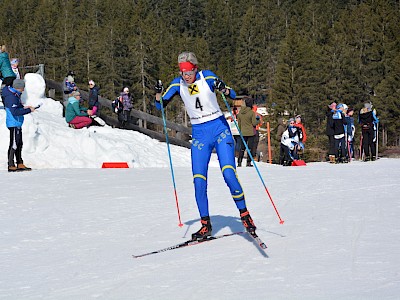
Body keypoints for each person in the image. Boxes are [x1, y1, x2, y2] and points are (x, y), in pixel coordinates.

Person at [154, 51, 258, 240]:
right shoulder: (177, 84)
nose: (186, 76)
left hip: (219, 129)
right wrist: (158, 92)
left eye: (189, 72)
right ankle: (205, 225)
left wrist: (223, 89)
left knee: (228, 172)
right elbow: (160, 106)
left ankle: (244, 214)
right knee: (199, 180)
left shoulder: (207, 76)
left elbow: (233, 94)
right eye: (183, 73)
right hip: (200, 134)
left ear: (195, 69)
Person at [2, 79, 36, 172]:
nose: (24, 90)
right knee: (14, 144)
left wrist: (24, 107)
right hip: (13, 123)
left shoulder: (16, 95)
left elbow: (17, 107)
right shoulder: (11, 97)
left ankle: (19, 162)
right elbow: (15, 111)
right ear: (19, 87)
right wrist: (28, 110)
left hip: (17, 123)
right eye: (23, 88)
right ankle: (11, 164)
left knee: (19, 143)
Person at [237, 97, 260, 167]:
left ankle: (239, 162)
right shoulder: (251, 113)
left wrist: (240, 130)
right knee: (250, 148)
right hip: (251, 133)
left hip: (243, 132)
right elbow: (254, 123)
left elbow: (239, 124)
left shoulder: (240, 113)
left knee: (242, 148)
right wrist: (258, 120)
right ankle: (248, 162)